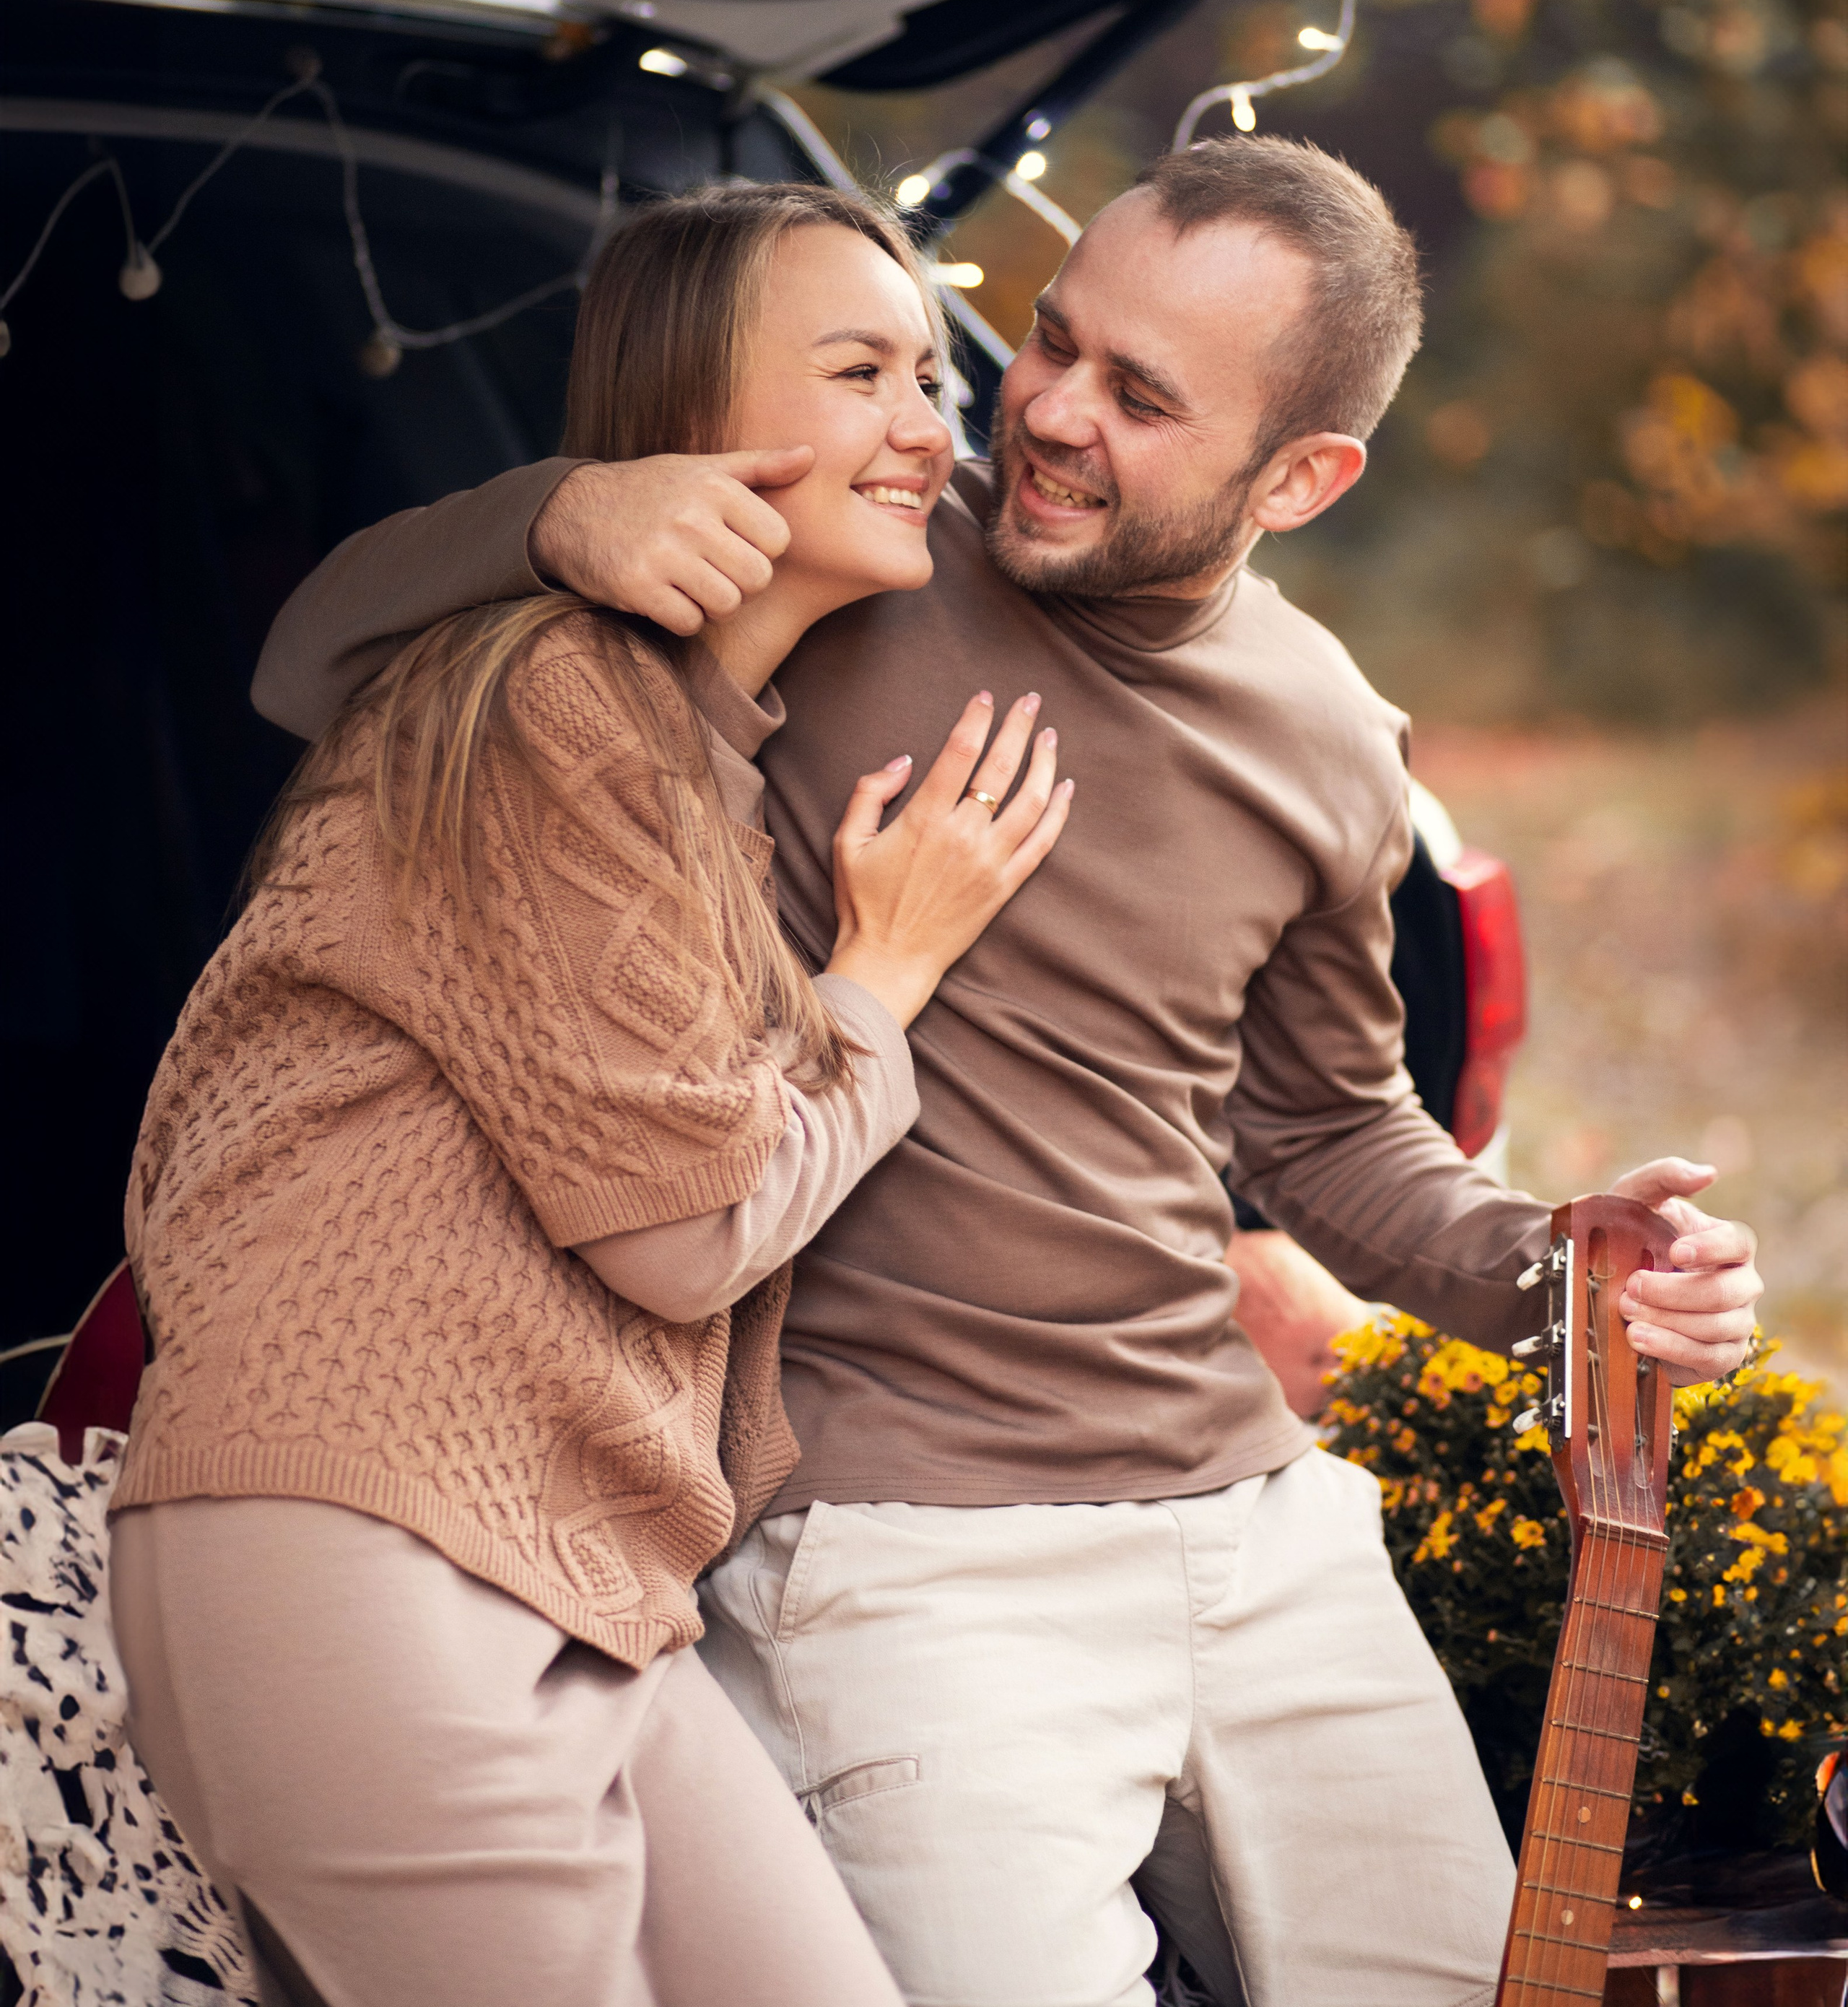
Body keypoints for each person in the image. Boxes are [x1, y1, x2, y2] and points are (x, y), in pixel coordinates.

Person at [253, 138, 1765, 2007]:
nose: (1038, 411)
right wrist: (557, 513)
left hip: (1262, 1529)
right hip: (896, 1557)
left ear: (1300, 477)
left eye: (1139, 397)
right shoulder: (840, 554)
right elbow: (323, 661)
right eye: (1048, 338)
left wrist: (1564, 1273)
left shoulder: (1327, 732)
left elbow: (1329, 1133)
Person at [108, 182, 1074, 2007]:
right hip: (367, 1540)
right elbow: (682, 1225)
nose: (922, 421)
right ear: (689, 418)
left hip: (583, 1583)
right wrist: (887, 971)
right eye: (858, 368)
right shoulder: (552, 691)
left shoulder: (698, 755)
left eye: (928, 369)